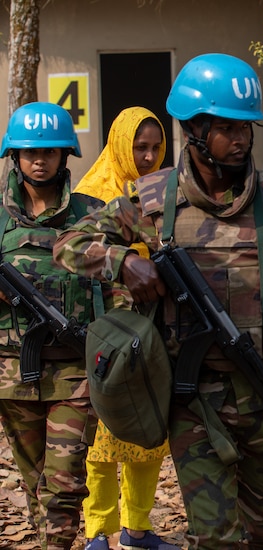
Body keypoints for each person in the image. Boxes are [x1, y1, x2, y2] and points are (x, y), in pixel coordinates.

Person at [53, 53, 263, 549]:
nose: (242, 139)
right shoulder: (152, 201)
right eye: (227, 127)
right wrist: (122, 260)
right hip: (194, 404)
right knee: (215, 539)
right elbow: (68, 245)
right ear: (194, 130)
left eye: (247, 127)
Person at [0, 102, 111, 549]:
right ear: (15, 156)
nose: (39, 159)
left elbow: (117, 285)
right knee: (35, 481)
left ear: (66, 154)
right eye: (29, 151)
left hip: (75, 371)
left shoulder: (92, 213)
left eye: (49, 150)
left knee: (65, 484)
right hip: (13, 375)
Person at [73, 106, 178, 550]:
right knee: (100, 439)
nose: (148, 156)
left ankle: (138, 529)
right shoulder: (90, 197)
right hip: (102, 330)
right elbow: (74, 255)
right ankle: (99, 531)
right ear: (119, 144)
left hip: (152, 329)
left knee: (147, 426)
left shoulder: (162, 194)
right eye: (139, 147)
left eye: (155, 147)